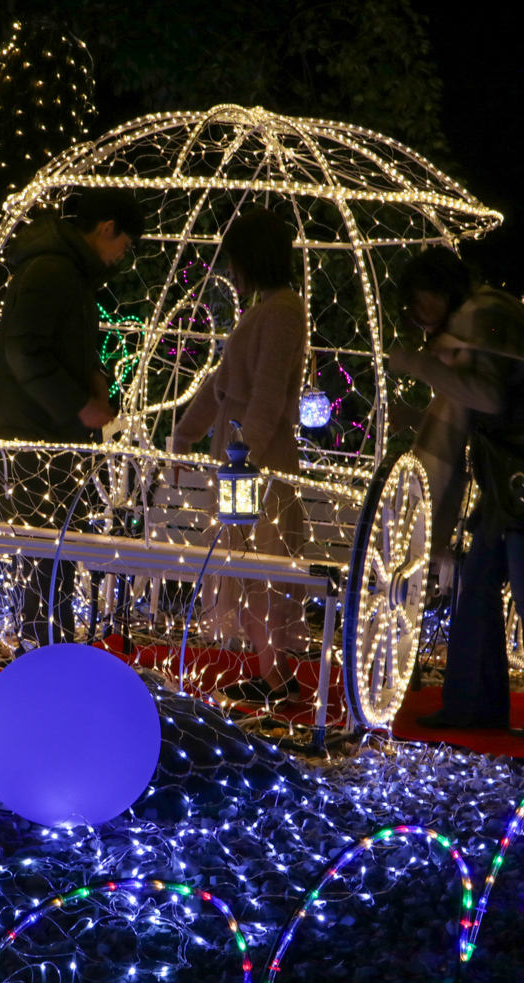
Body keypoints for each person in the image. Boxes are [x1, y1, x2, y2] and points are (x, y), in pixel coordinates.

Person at [387, 246, 524, 738]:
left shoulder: (482, 318)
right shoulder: (481, 315)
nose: (420, 312)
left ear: (442, 288)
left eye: (423, 298)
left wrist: (418, 365)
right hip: (513, 480)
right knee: (479, 585)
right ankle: (475, 706)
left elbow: (489, 396)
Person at [0, 187, 144, 648]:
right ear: (106, 228)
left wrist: (92, 376)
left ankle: (53, 648)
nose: (119, 257)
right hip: (32, 433)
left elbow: (56, 345)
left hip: (46, 432)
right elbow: (23, 350)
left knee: (54, 550)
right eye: (123, 245)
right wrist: (77, 403)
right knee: (42, 552)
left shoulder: (68, 272)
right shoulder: (53, 269)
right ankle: (45, 653)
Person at [170, 206, 310, 705]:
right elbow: (221, 385)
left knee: (262, 567)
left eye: (236, 261)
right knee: (249, 566)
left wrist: (240, 457)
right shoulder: (266, 309)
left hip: (256, 461)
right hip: (242, 458)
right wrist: (185, 436)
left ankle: (276, 679)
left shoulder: (283, 310)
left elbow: (268, 396)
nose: (231, 272)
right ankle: (272, 675)